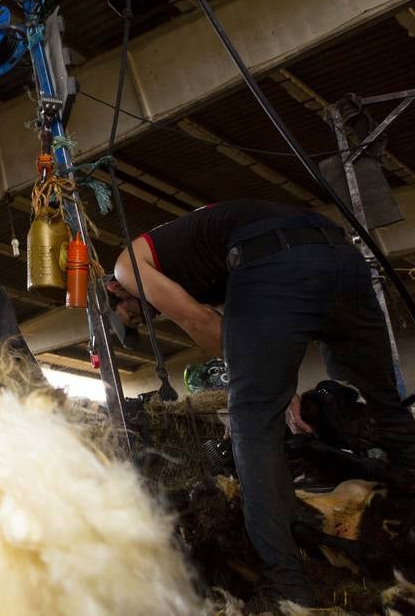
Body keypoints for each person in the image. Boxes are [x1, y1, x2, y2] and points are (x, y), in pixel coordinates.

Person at [104, 199, 415, 606]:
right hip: (340, 256)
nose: (145, 319)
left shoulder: (127, 264)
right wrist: (276, 386)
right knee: (385, 404)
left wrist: (258, 391)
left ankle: (289, 590)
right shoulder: (201, 256)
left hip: (273, 260)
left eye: (132, 315)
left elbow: (203, 323)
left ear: (114, 288)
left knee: (253, 427)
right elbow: (254, 330)